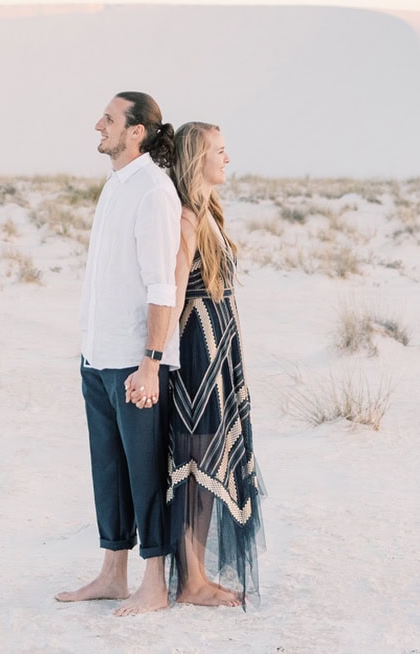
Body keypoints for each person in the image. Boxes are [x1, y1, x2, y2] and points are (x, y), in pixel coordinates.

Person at [55, 91, 183, 617]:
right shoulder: (117, 185)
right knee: (108, 469)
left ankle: (154, 581)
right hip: (97, 354)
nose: (97, 126)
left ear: (136, 131)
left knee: (144, 472)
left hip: (135, 362)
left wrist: (150, 362)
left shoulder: (153, 191)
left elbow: (160, 286)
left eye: (108, 119)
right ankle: (112, 572)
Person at [162, 121, 264, 607]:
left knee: (207, 458)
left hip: (219, 344)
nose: (227, 159)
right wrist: (157, 361)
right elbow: (175, 292)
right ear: (196, 158)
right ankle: (190, 581)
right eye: (219, 151)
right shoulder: (184, 217)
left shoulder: (210, 213)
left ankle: (196, 575)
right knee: (194, 462)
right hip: (197, 350)